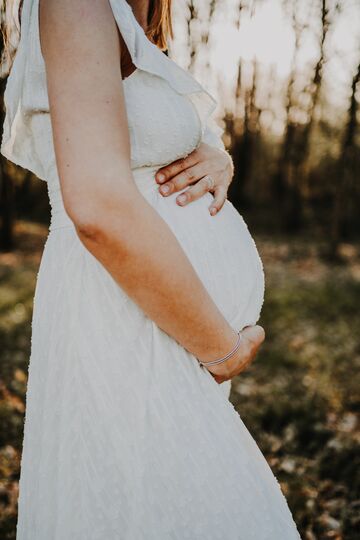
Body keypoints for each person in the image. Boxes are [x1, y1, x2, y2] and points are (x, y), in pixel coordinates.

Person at [0, 0, 301, 538]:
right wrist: (221, 346)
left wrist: (217, 156)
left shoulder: (137, 11)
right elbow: (95, 205)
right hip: (126, 322)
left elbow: (144, 138)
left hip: (160, 332)